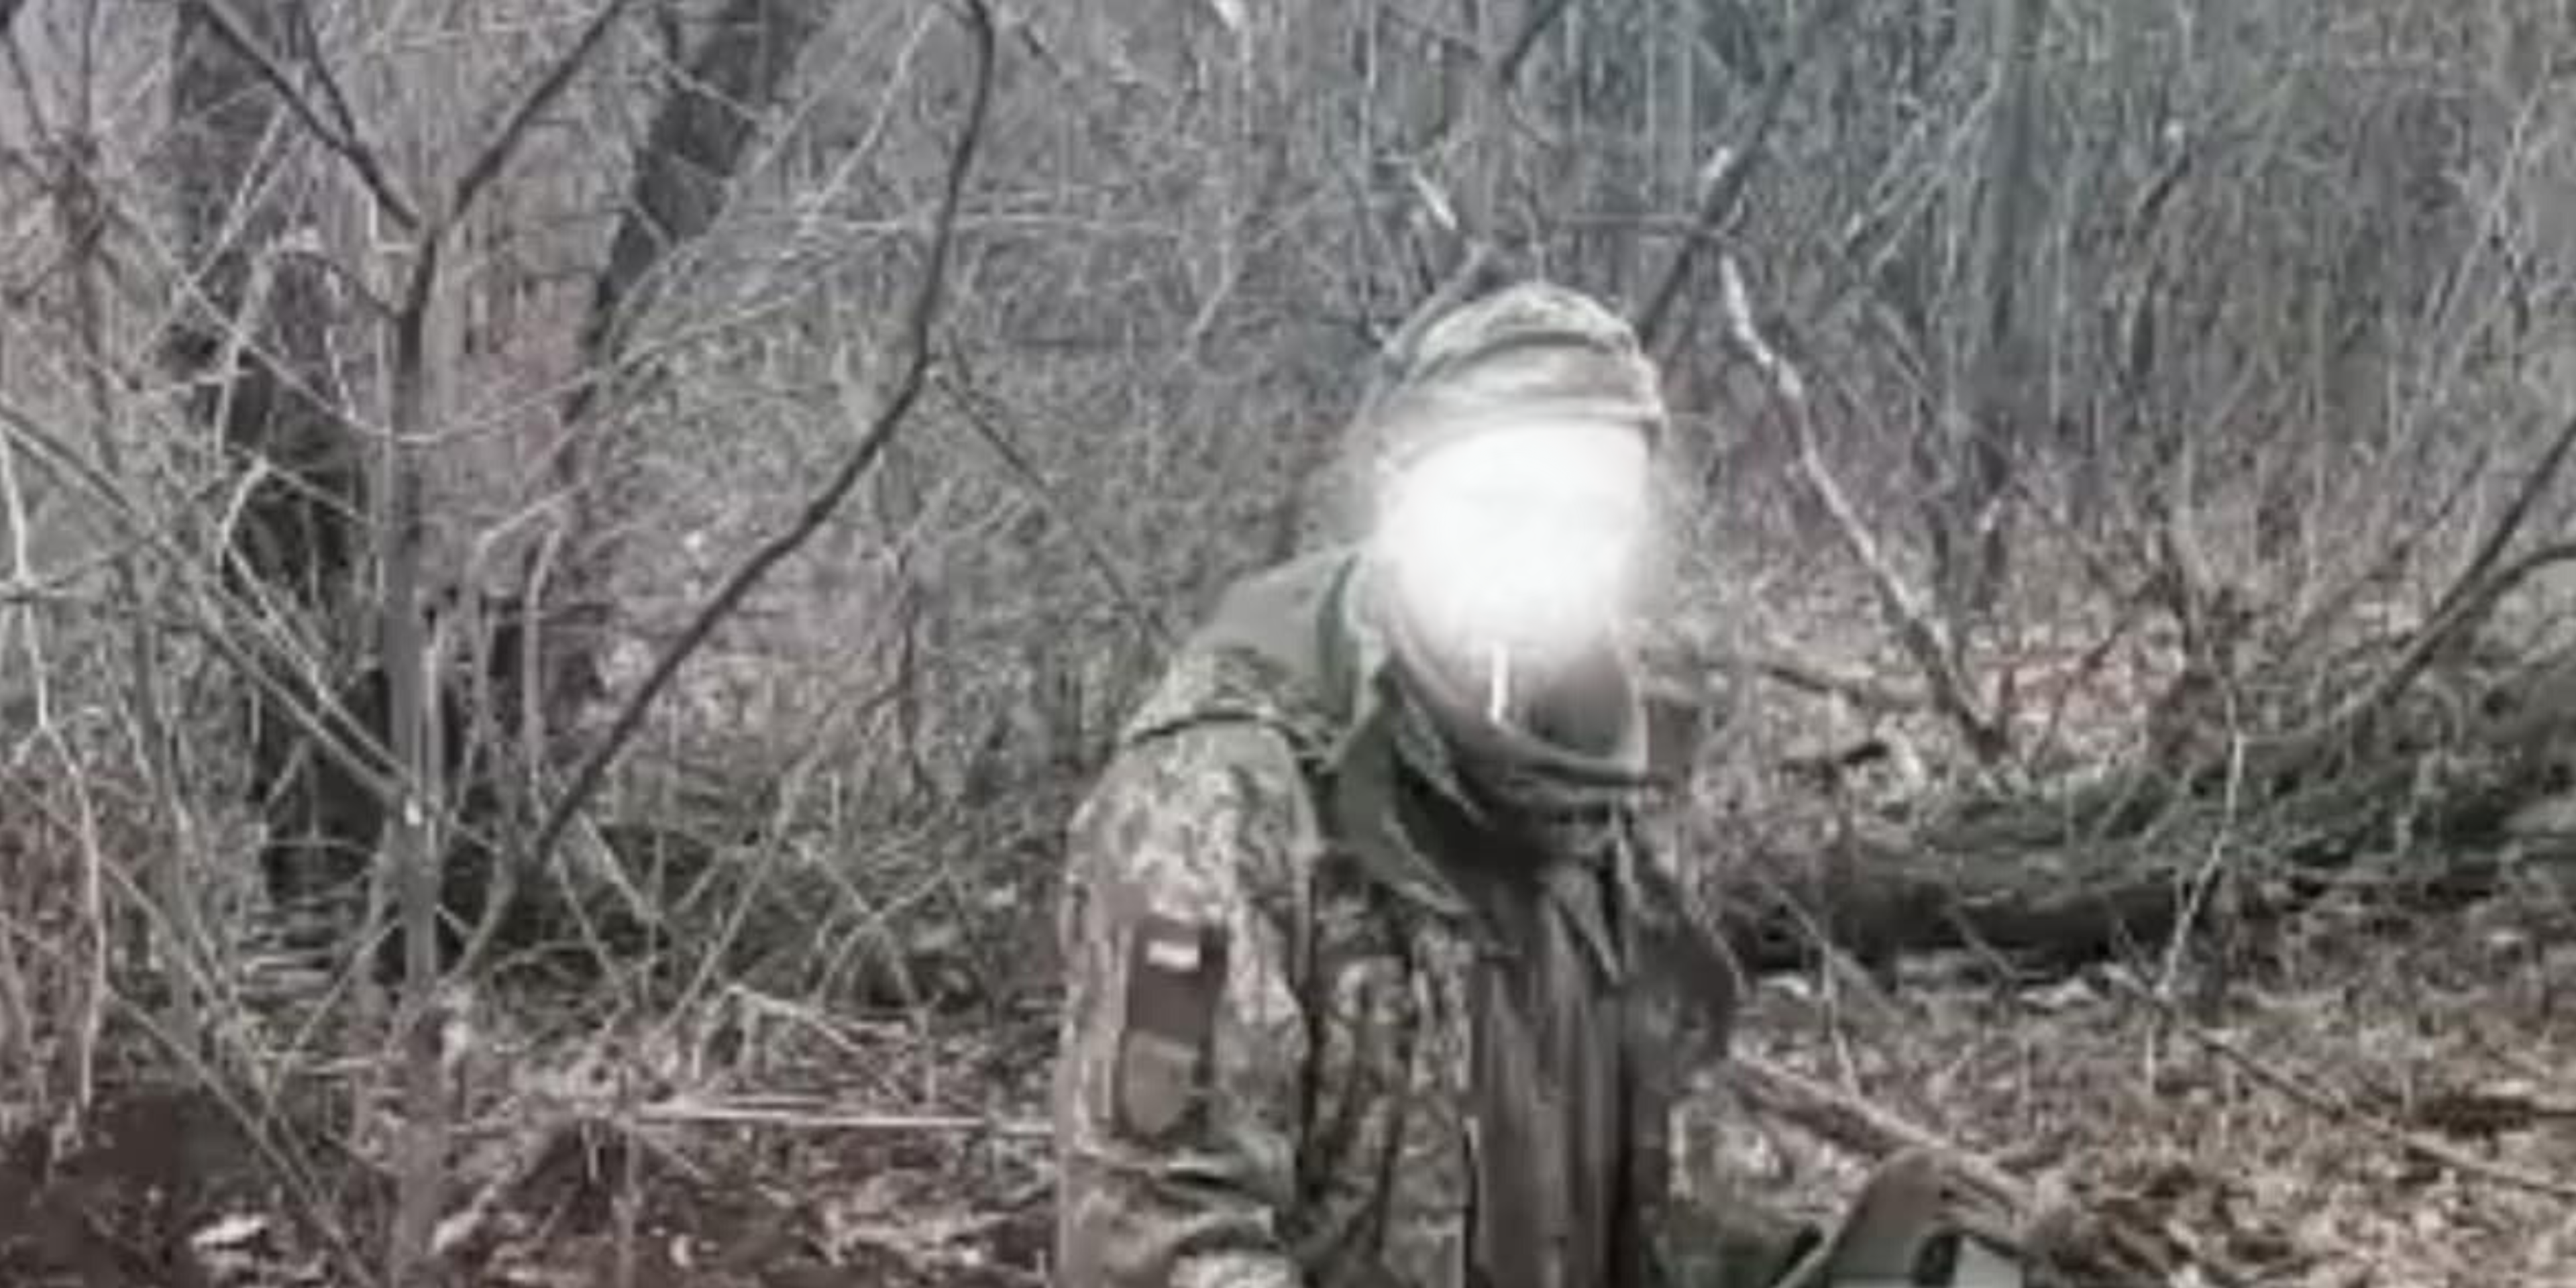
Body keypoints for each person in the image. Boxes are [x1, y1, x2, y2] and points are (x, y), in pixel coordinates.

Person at [1050, 282, 2001, 1288]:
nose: (1544, 561)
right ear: (1399, 498)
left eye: (1593, 525)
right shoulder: (1225, 791)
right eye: (1499, 508)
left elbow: (1662, 1179)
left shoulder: (1588, 779)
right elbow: (1153, 1241)